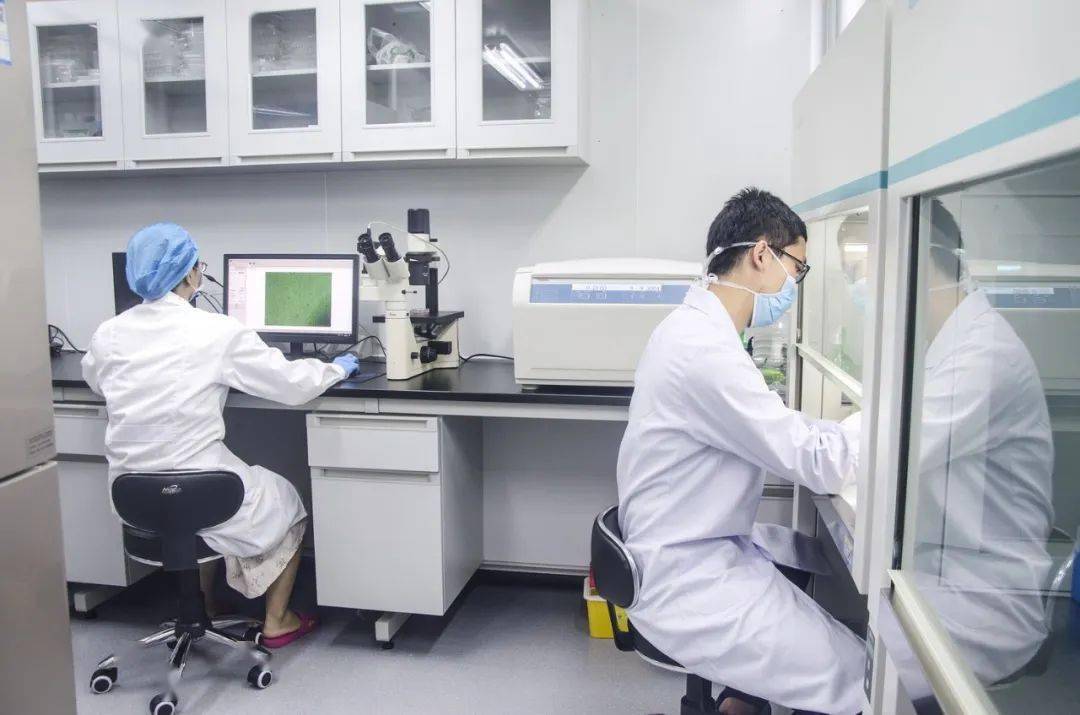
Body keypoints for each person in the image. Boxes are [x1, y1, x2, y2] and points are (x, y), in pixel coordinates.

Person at [617, 188, 864, 714]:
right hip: (687, 575)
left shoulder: (695, 329)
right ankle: (746, 692)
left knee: (803, 557)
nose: (794, 284)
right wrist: (883, 424)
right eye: (797, 268)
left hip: (694, 544)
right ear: (761, 254)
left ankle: (741, 697)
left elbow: (777, 429)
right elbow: (816, 461)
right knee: (859, 678)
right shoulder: (703, 349)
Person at [81, 223, 361, 649]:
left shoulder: (108, 333)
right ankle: (277, 620)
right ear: (190, 274)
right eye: (199, 266)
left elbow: (96, 381)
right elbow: (291, 385)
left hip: (133, 499)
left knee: (190, 510)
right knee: (286, 498)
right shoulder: (217, 331)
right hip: (204, 492)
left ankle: (204, 605)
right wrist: (336, 368)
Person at [909, 201, 1054, 684]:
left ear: (920, 260)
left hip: (986, 602)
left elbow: (889, 451)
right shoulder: (944, 342)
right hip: (941, 572)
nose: (862, 288)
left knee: (845, 672)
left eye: (863, 272)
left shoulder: (984, 354)